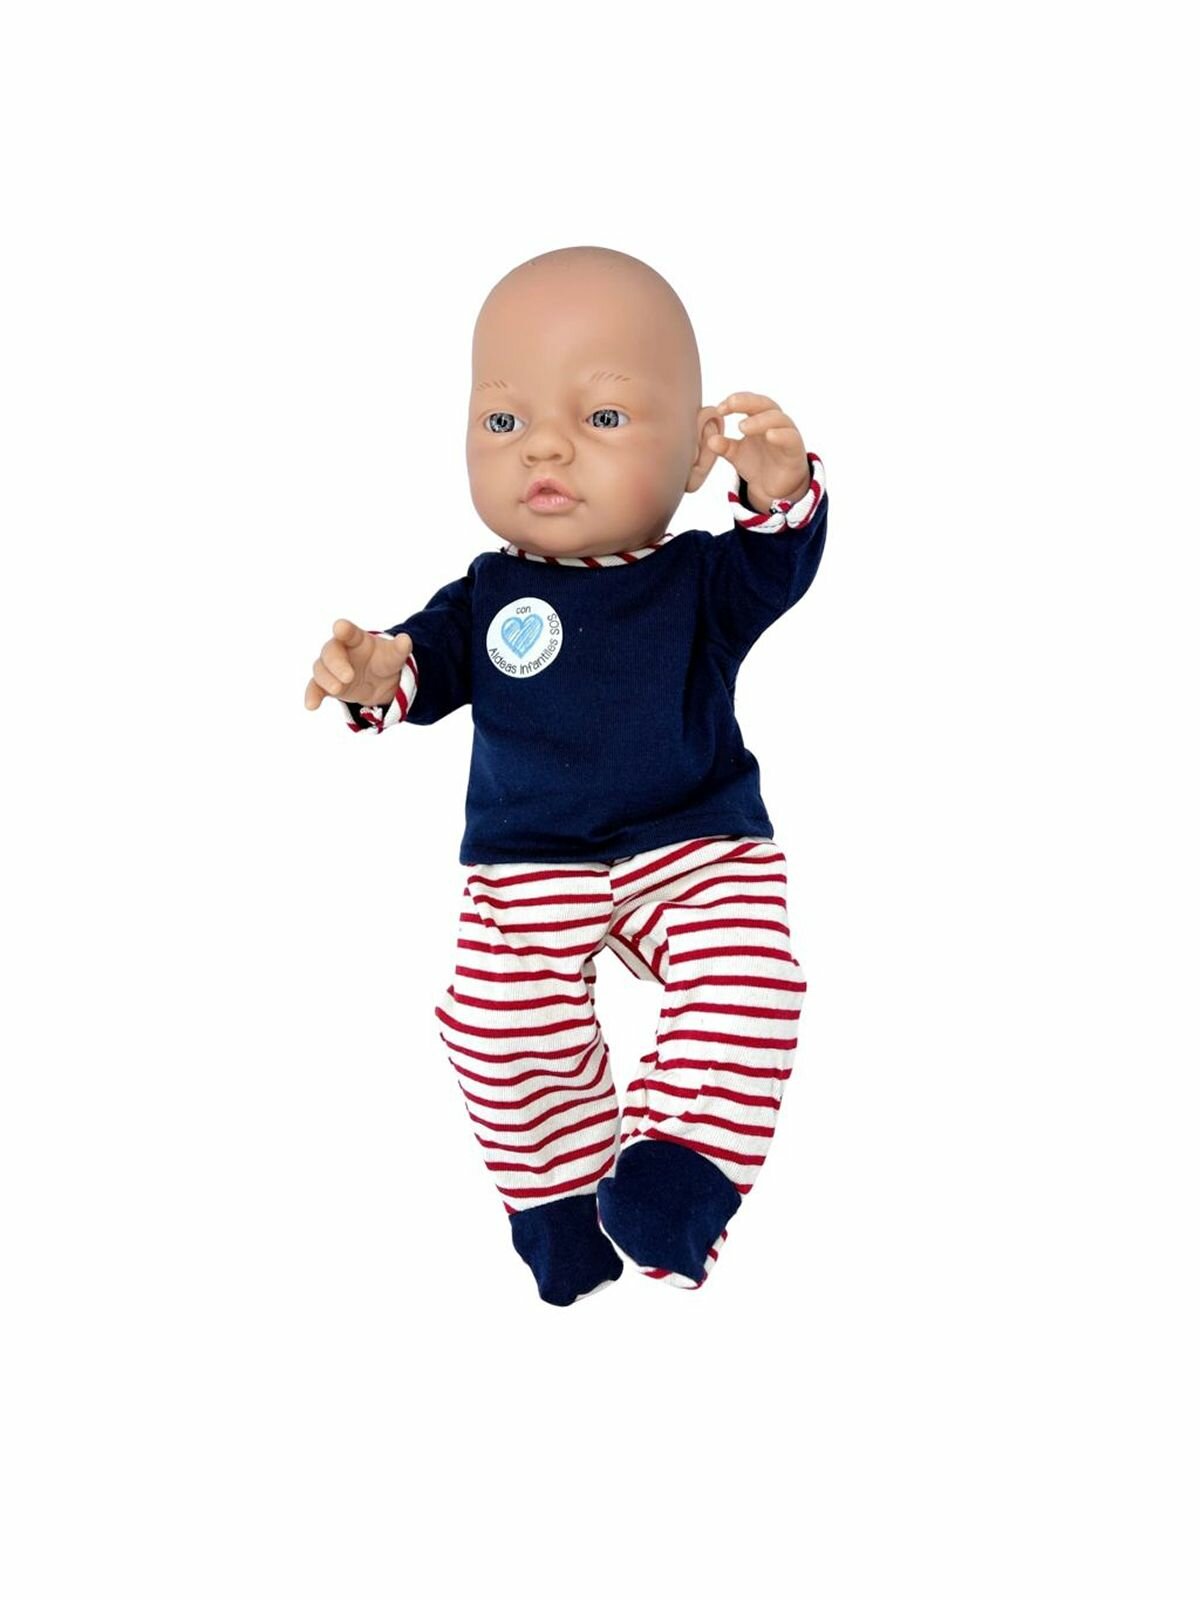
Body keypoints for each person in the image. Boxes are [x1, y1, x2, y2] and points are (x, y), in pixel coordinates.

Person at [304, 246, 829, 1304]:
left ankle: (680, 1175)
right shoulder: (487, 593)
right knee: (495, 1027)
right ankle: (559, 1201)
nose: (543, 445)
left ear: (695, 456)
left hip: (696, 845)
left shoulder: (701, 579)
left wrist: (780, 492)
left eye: (603, 417)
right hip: (528, 861)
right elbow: (420, 665)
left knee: (750, 979)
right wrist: (374, 672)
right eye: (504, 420)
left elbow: (778, 565)